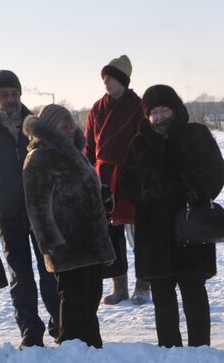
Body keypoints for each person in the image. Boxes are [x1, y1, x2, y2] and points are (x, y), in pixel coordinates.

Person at [119, 85, 224, 348]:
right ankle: (169, 350)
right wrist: (148, 190)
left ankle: (200, 349)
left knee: (194, 292)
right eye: (153, 112)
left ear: (175, 108)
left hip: (190, 228)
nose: (158, 116)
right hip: (154, 232)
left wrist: (192, 188)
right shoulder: (139, 142)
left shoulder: (196, 134)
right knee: (162, 297)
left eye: (163, 109)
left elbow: (217, 171)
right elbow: (127, 181)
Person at [0, 70, 61, 348]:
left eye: (14, 94)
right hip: (8, 215)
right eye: (4, 95)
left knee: (51, 273)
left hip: (43, 213)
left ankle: (61, 325)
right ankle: (31, 332)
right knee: (20, 276)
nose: (10, 99)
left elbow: (59, 161)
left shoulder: (37, 124)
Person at [22, 104, 118, 349]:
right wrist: (51, 243)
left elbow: (85, 189)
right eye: (60, 123)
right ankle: (70, 352)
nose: (66, 127)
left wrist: (102, 197)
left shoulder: (78, 152)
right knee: (74, 301)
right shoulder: (39, 157)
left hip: (91, 240)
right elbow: (37, 205)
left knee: (91, 298)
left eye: (69, 122)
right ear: (47, 127)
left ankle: (91, 347)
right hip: (66, 243)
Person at [85, 55, 148, 306]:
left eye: (110, 78)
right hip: (103, 178)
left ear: (122, 79)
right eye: (105, 79)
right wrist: (89, 172)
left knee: (138, 235)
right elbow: (89, 146)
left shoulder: (138, 106)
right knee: (111, 235)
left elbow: (145, 143)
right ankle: (119, 286)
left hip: (130, 177)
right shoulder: (97, 108)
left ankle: (144, 285)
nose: (106, 83)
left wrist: (140, 173)